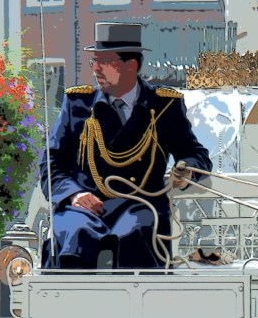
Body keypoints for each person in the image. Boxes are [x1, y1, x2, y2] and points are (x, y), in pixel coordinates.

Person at [42, 22, 211, 269]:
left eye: (104, 61)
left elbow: (196, 154)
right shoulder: (78, 103)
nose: (96, 69)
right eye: (94, 61)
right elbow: (51, 162)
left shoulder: (163, 106)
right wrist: (74, 194)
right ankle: (67, 304)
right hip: (85, 206)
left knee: (134, 235)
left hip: (140, 205)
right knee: (75, 236)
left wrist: (186, 169)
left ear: (131, 65)